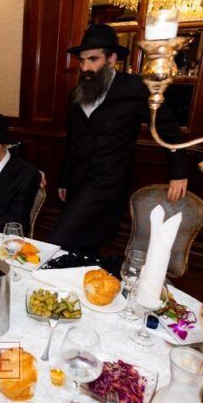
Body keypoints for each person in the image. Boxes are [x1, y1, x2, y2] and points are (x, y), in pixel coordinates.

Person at [49, 24, 188, 256]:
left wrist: (179, 173)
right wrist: (63, 180)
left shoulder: (135, 88)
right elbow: (72, 141)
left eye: (93, 59)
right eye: (82, 61)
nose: (85, 68)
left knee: (58, 238)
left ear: (112, 59)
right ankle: (85, 275)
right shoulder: (76, 94)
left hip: (108, 181)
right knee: (83, 241)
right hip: (77, 179)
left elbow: (169, 129)